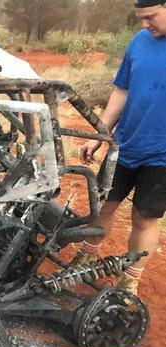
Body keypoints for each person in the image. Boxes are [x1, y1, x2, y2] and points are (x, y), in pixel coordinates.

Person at [72, 0, 166, 295]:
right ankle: (86, 257)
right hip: (126, 144)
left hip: (162, 156)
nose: (144, 24)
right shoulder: (140, 41)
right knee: (103, 205)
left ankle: (130, 281)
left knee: (144, 217)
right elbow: (122, 90)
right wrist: (100, 133)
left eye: (150, 17)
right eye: (141, 18)